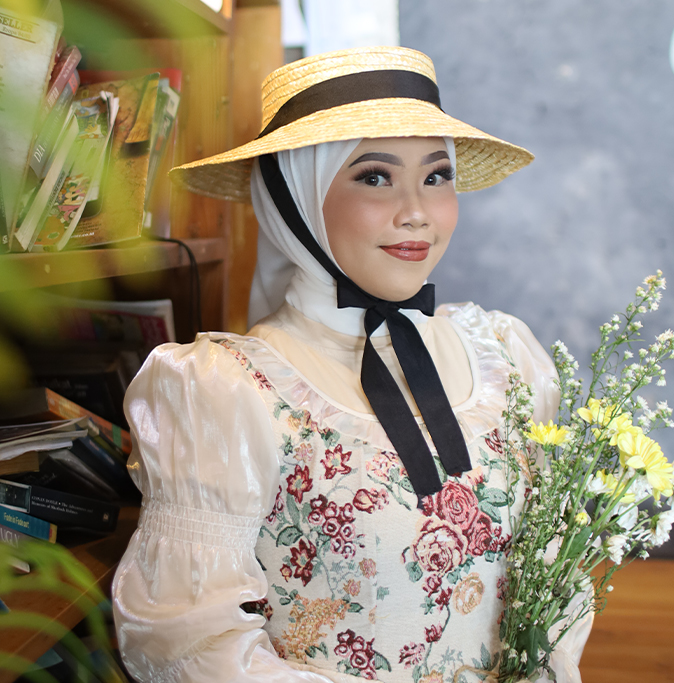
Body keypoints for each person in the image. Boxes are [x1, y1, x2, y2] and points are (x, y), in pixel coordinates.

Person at [113, 47, 592, 683]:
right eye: (374, 177)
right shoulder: (224, 391)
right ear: (296, 198)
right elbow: (189, 645)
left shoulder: (505, 356)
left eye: (437, 175)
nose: (416, 210)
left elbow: (557, 579)